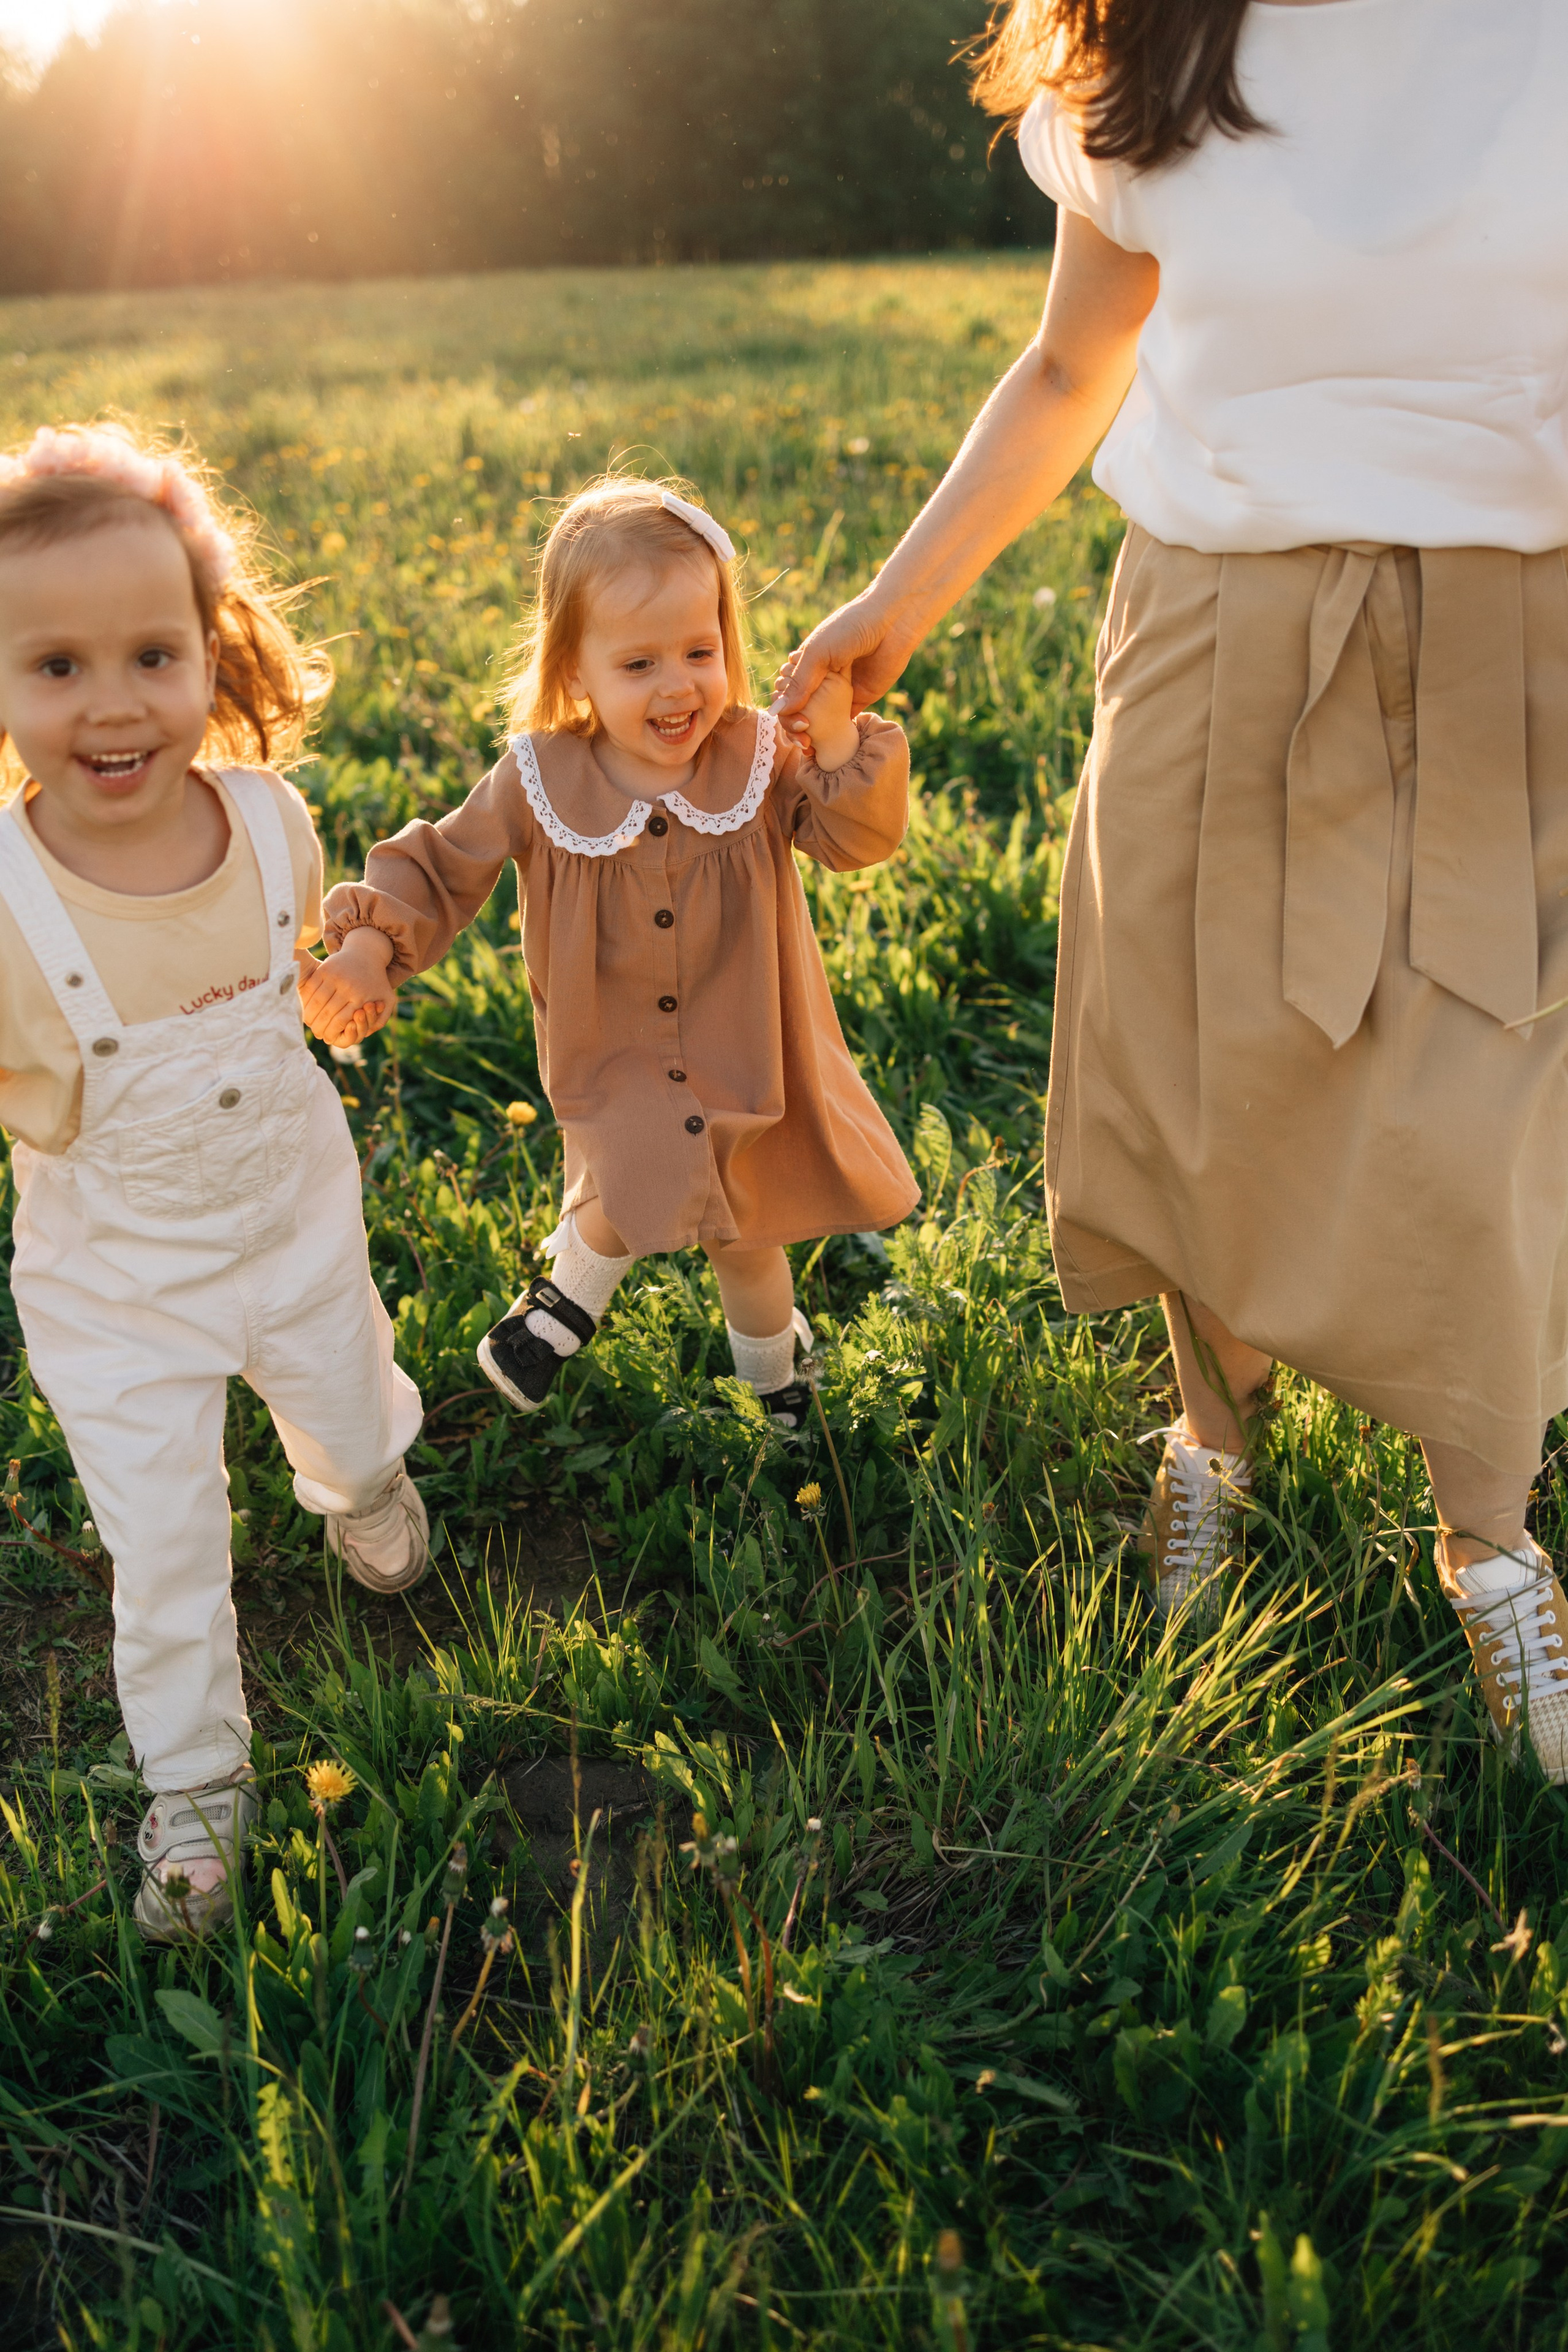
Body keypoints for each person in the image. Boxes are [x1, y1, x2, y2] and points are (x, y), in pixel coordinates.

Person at [774, 0, 1568, 1774]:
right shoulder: (1144, 37)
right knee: (1210, 1069)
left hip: (1520, 638)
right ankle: (1213, 1437)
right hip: (1220, 619)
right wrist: (885, 620)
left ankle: (1490, 1542)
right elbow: (1073, 367)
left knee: (1480, 1099)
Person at [0, 423, 427, 1942]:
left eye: (150, 656)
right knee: (162, 1544)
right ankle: (193, 1784)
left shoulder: (269, 821)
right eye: (54, 667)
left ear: (210, 650)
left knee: (347, 1410)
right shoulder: (4, 899)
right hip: (116, 1286)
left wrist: (358, 966)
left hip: (293, 1223)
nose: (113, 705)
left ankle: (364, 1485)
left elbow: (326, 946)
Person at [300, 475, 918, 1423]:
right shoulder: (538, 779)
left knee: (747, 1242)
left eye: (700, 651)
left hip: (749, 1050)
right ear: (575, 671)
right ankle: (558, 1311)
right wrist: (370, 948)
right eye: (638, 665)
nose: (679, 686)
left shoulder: (757, 756)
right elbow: (442, 864)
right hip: (616, 1050)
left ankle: (776, 1388)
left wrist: (835, 750)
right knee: (632, 1171)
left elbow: (854, 842)